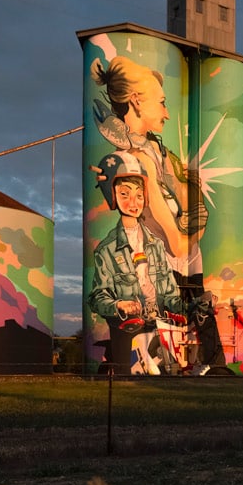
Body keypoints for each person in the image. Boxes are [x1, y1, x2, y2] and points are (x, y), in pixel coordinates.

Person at [90, 55, 207, 301]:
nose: (167, 113)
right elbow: (177, 246)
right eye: (162, 103)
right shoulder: (136, 161)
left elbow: (184, 189)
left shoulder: (155, 149)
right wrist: (199, 226)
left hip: (181, 272)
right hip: (165, 277)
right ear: (136, 101)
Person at [88, 152, 187, 375]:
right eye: (124, 194)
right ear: (111, 195)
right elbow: (97, 297)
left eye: (139, 195)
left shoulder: (156, 245)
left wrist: (184, 306)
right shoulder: (106, 249)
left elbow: (168, 291)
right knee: (126, 378)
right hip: (126, 324)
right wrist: (119, 306)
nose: (133, 202)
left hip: (156, 323)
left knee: (169, 374)